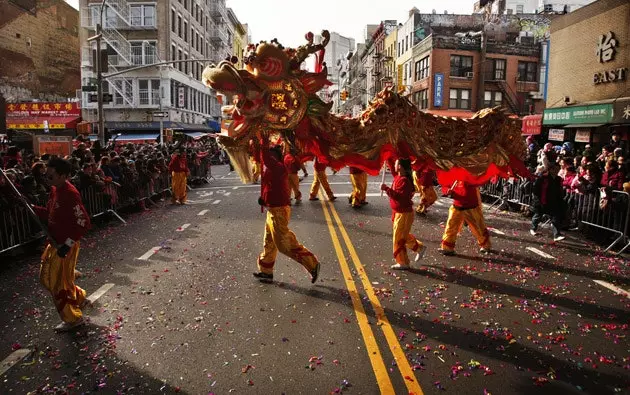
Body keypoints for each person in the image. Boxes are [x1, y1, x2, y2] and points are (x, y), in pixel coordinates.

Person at [33, 158, 91, 332]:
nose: (47, 179)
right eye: (46, 175)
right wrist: (32, 207)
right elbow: (51, 214)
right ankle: (79, 297)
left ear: (63, 176)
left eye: (51, 176)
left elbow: (83, 222)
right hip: (54, 242)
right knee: (46, 278)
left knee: (57, 284)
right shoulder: (55, 190)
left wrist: (68, 244)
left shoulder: (70, 194)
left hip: (65, 245)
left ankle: (73, 318)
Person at [254, 144, 320, 283]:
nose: (268, 159)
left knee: (284, 244)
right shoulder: (272, 169)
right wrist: (264, 199)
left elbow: (265, 157)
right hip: (272, 209)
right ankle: (266, 271)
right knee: (269, 242)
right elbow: (269, 185)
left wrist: (263, 141)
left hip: (279, 211)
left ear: (276, 158)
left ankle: (312, 264)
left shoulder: (278, 168)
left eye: (271, 156)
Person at [380, 158, 426, 270]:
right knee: (402, 236)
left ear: (400, 166)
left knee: (399, 238)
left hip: (404, 214)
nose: (394, 165)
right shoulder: (398, 177)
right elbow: (391, 165)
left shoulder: (404, 181)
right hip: (398, 213)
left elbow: (400, 198)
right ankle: (419, 248)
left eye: (396, 163)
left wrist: (386, 189)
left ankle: (403, 262)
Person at [439, 180, 491, 255]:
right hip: (457, 206)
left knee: (478, 228)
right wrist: (447, 191)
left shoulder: (472, 176)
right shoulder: (453, 174)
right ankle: (447, 248)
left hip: (471, 206)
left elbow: (478, 182)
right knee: (450, 227)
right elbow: (446, 185)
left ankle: (485, 245)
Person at [530, 164, 566, 242]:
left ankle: (556, 235)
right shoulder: (543, 178)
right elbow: (536, 189)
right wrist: (537, 199)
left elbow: (559, 191)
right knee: (538, 215)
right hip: (542, 200)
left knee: (556, 217)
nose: (557, 171)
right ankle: (533, 228)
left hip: (553, 201)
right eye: (555, 169)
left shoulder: (558, 179)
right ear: (551, 169)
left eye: (558, 169)